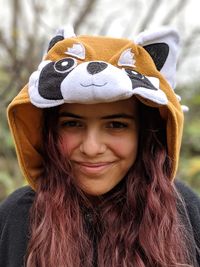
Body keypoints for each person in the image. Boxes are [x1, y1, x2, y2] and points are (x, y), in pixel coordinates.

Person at [0, 26, 200, 267]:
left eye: (116, 125)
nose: (92, 148)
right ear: (50, 131)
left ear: (145, 134)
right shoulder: (18, 216)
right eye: (72, 123)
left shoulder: (183, 210)